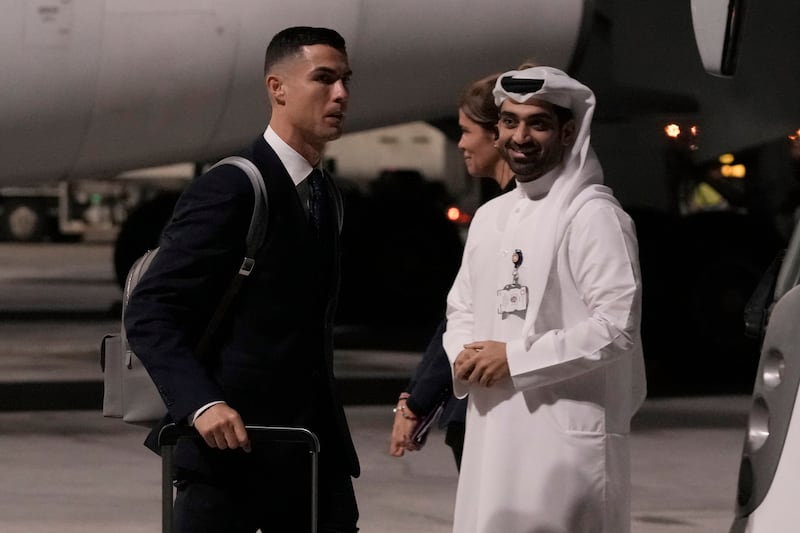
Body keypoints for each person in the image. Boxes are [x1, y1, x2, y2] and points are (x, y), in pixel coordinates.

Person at [124, 26, 359, 532]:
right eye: (324, 79)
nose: (340, 94)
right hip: (229, 454)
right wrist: (201, 404)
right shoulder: (232, 186)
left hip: (312, 451)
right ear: (277, 87)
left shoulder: (326, 194)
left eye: (345, 81)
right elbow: (150, 309)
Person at [443, 66, 647, 532]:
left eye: (538, 123)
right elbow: (462, 308)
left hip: (563, 442)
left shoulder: (593, 215)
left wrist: (514, 359)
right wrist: (465, 355)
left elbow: (616, 326)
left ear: (569, 132)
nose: (521, 136)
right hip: (492, 430)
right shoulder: (491, 216)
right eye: (510, 122)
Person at [389, 73, 514, 470]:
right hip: (482, 407)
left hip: (499, 412)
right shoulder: (496, 214)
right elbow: (460, 315)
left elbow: (471, 319)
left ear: (497, 134)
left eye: (465, 131)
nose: (459, 143)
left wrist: (417, 400)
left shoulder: (512, 217)